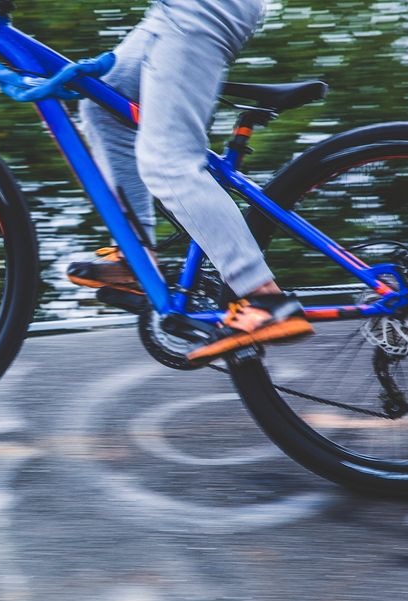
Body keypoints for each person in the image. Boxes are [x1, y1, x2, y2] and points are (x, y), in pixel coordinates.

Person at [71, 0, 313, 362]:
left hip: (200, 7)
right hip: (170, 12)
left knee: (168, 161)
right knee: (102, 107)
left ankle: (266, 300)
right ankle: (137, 261)